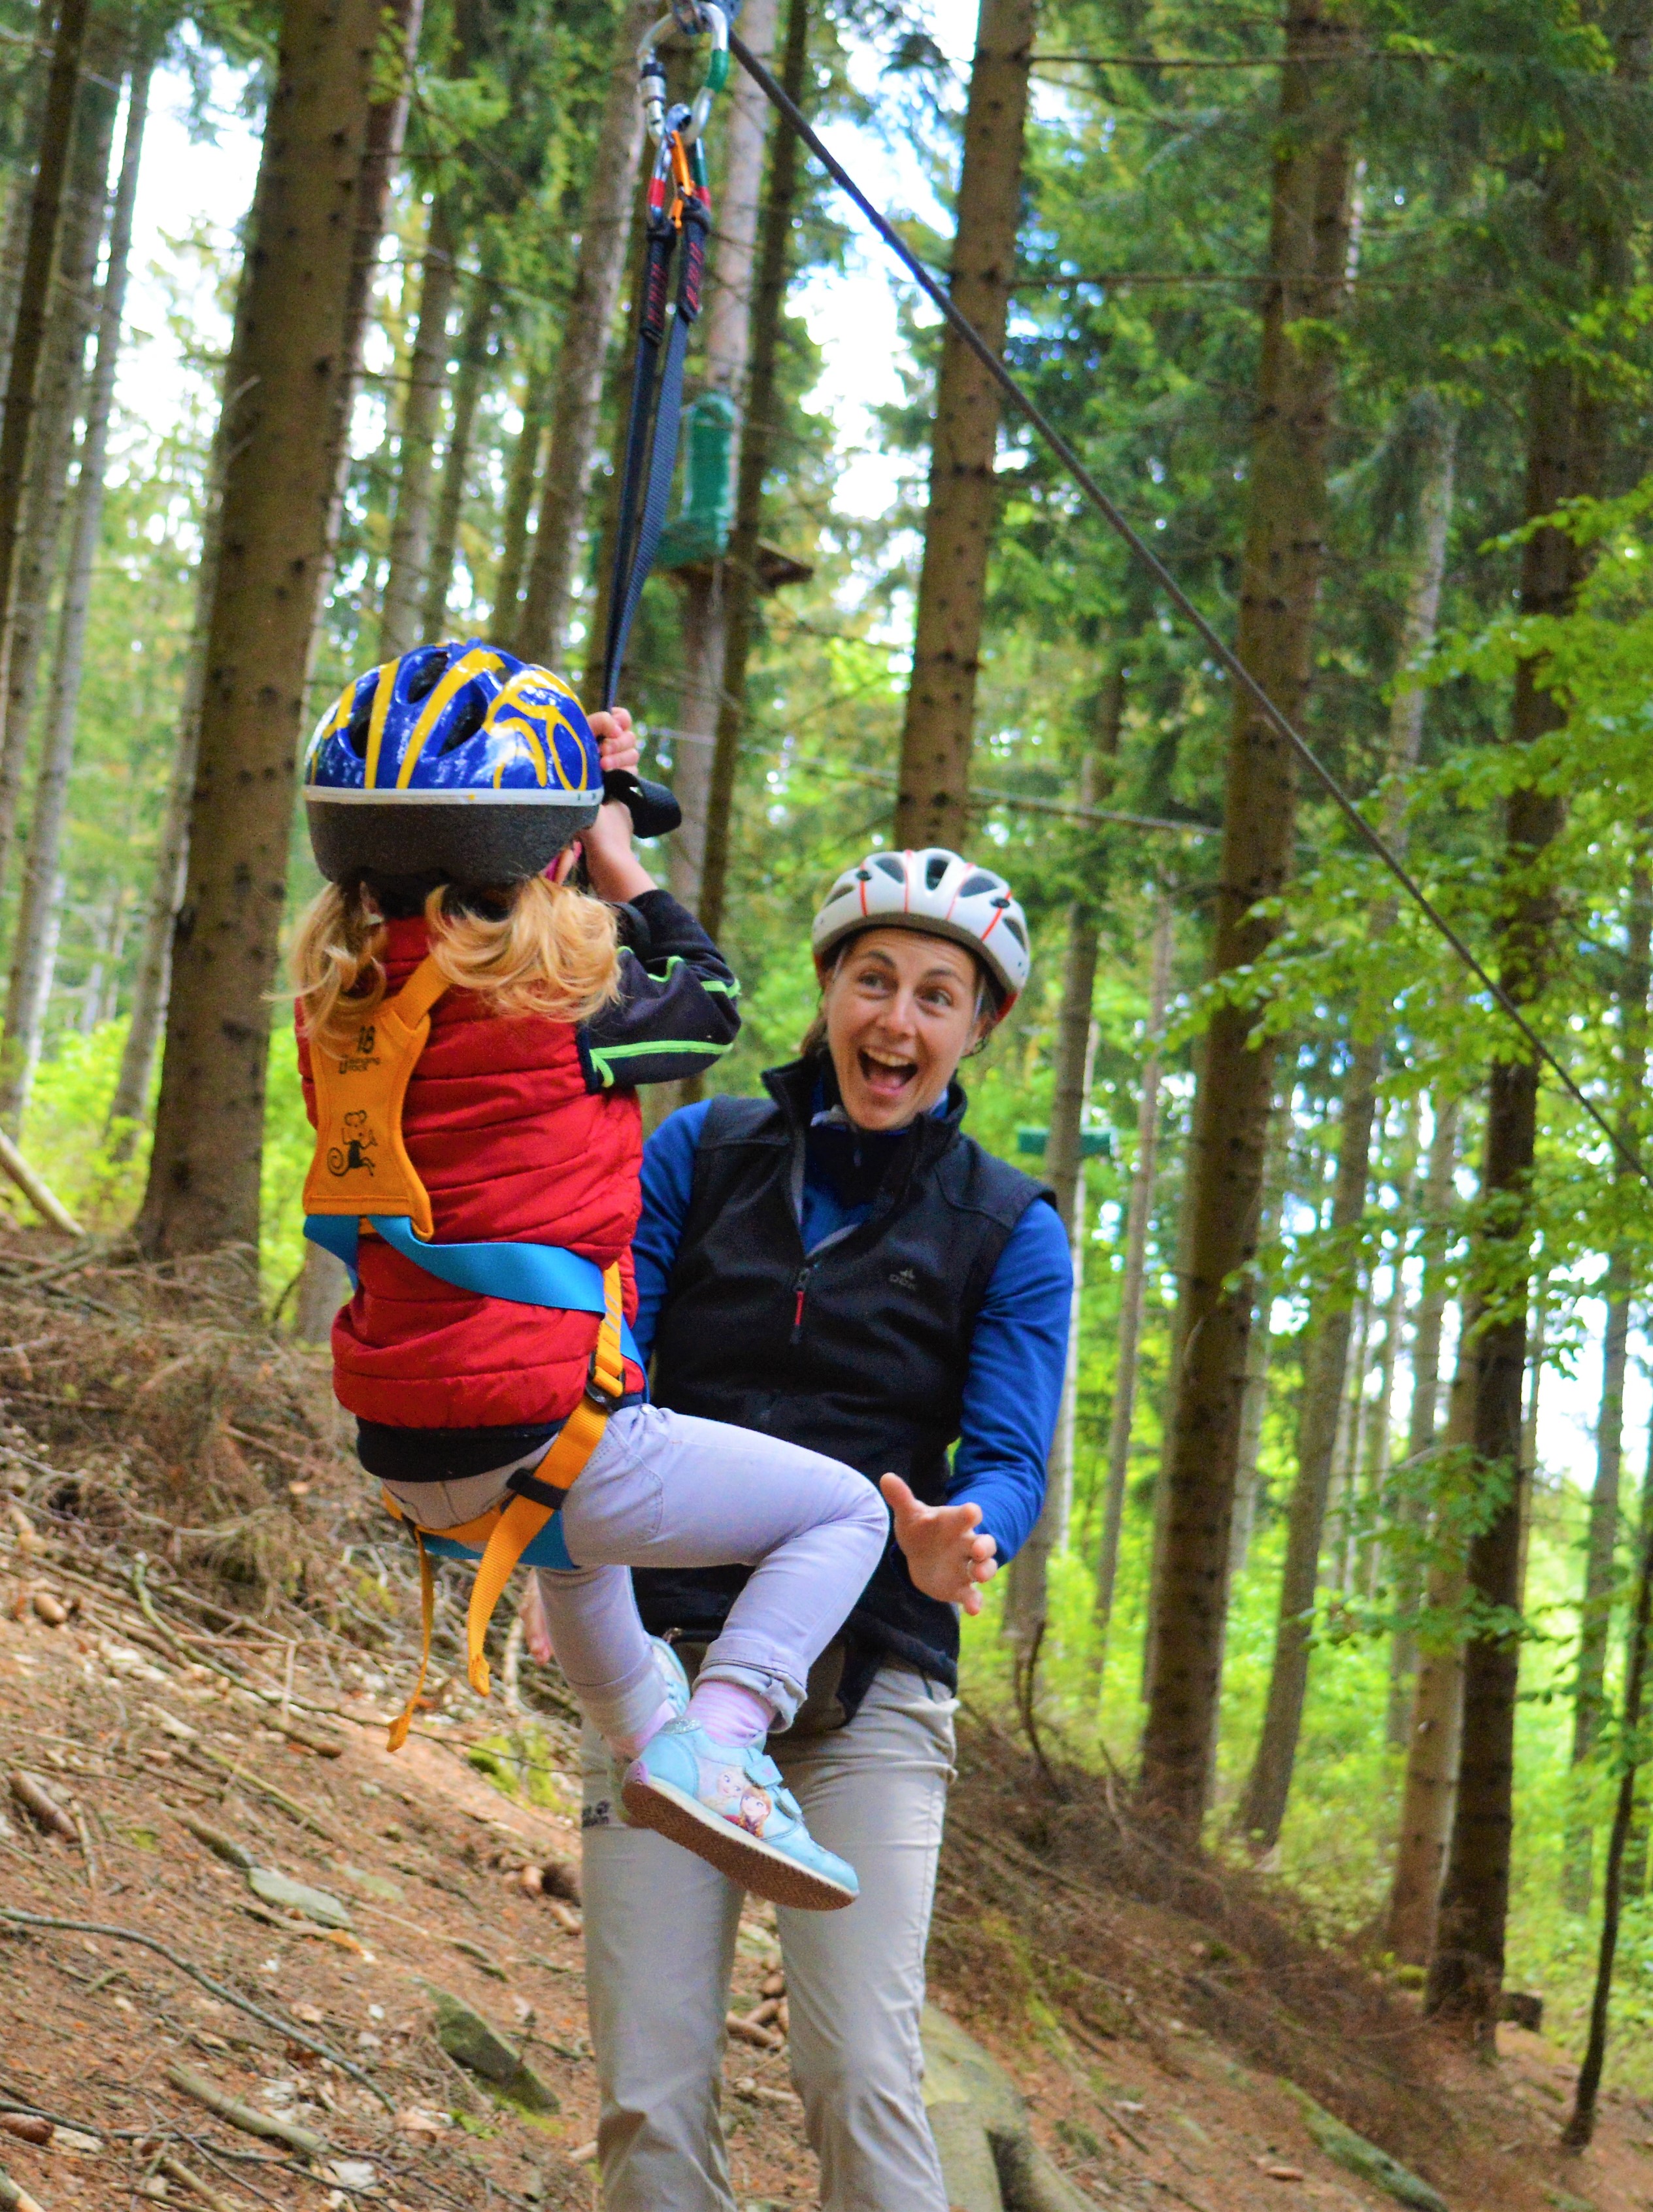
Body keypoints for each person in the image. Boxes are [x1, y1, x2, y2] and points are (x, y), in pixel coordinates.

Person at [292, 640, 899, 1909]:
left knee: (579, 1554)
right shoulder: (570, 1012)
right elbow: (714, 995)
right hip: (541, 1436)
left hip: (406, 1447)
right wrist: (619, 854)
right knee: (842, 1514)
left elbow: (481, 956)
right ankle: (724, 1741)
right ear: (549, 852)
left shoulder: (340, 1010)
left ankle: (647, 1745)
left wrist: (578, 805)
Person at [575, 845, 1074, 2210]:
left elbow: (1011, 1460)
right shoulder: (701, 1150)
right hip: (662, 1662)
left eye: (933, 995)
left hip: (875, 1675)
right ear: (826, 992)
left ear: (976, 1029)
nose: (894, 1022)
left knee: (859, 2070)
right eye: (871, 981)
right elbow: (612, 1336)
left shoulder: (1008, 1227)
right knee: (649, 2084)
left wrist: (962, 1533)